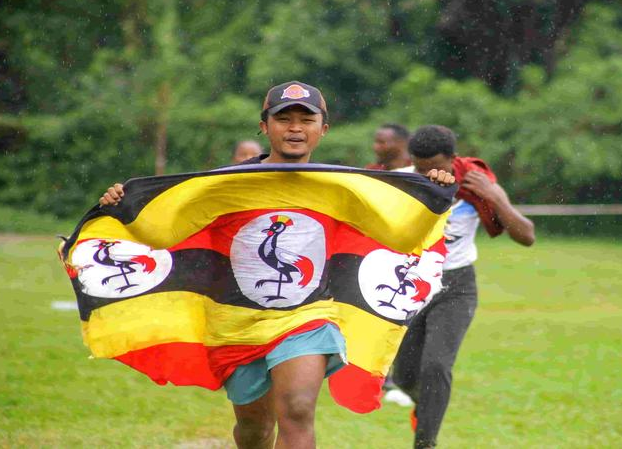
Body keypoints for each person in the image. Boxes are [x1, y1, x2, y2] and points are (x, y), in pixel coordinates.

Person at [99, 82, 455, 449]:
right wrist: (122, 210)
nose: (295, 128)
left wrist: (433, 200)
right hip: (235, 324)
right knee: (255, 430)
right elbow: (164, 235)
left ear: (323, 129)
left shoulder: (340, 186)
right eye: (283, 119)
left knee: (298, 410)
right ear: (264, 126)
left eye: (306, 119)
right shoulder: (225, 183)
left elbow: (399, 237)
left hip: (307, 317)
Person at [392, 125, 535, 449]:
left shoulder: (476, 185)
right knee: (403, 377)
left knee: (436, 365)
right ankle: (427, 405)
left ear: (453, 159)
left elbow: (527, 236)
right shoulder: (401, 182)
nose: (427, 174)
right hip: (411, 283)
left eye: (434, 167)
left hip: (455, 286)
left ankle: (425, 442)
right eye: (419, 167)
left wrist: (494, 196)